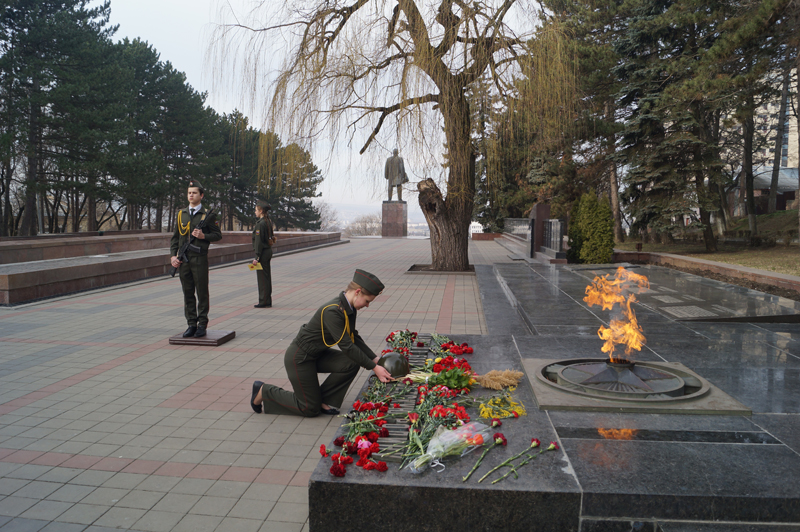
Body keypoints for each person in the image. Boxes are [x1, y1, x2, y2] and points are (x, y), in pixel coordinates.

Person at [250, 269, 392, 416]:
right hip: (300, 358)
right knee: (309, 408)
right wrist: (374, 367)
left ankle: (323, 400)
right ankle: (264, 390)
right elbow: (347, 346)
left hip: (317, 355)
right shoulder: (333, 311)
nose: (367, 305)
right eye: (367, 301)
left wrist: (374, 358)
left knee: (352, 363)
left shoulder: (348, 307)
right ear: (357, 292)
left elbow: (353, 336)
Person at [170, 180, 222, 338]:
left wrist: (203, 236)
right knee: (187, 293)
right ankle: (191, 324)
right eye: (189, 193)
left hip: (199, 259)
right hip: (184, 260)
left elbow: (218, 235)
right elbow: (175, 238)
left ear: (201, 195)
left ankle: (202, 324)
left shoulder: (208, 215)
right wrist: (173, 255)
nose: (191, 195)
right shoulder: (181, 214)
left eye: (194, 193)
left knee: (201, 292)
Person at [252, 201, 276, 308]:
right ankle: (268, 300)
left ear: (261, 211)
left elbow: (258, 242)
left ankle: (263, 301)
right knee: (266, 277)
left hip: (262, 253)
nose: (255, 212)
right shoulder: (267, 221)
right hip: (268, 251)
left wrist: (257, 257)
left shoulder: (260, 224)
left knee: (262, 278)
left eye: (256, 210)